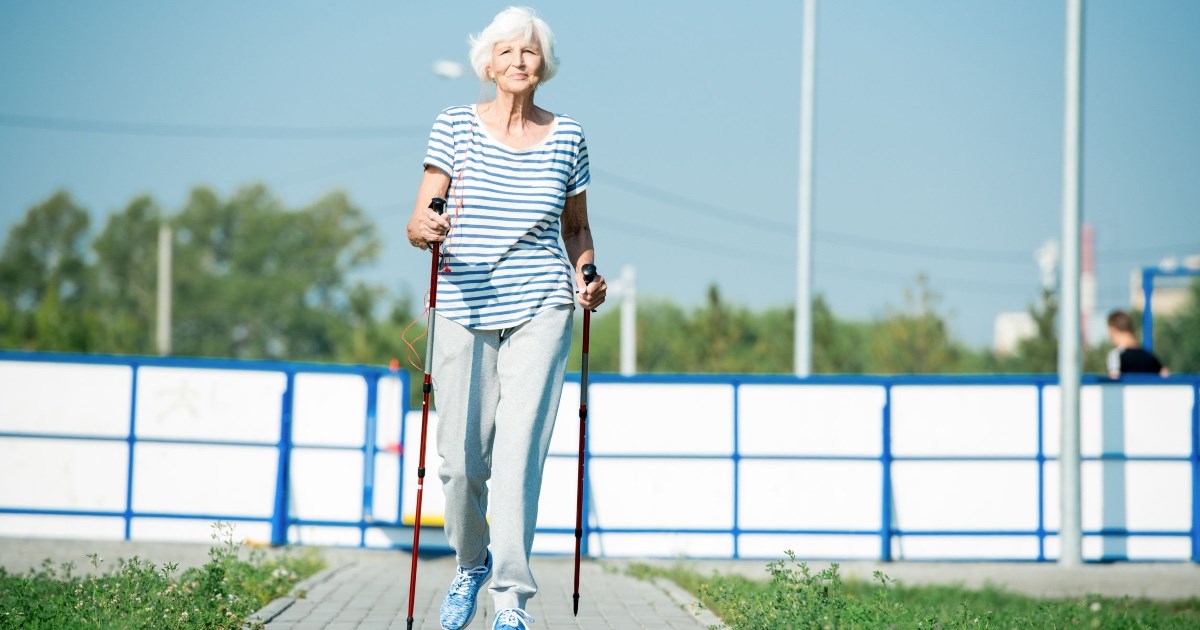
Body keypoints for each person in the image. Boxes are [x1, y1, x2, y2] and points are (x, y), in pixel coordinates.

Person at [405, 7, 606, 630]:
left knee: (520, 454)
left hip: (542, 303)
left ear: (543, 64)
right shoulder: (454, 127)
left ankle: (510, 598)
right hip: (464, 302)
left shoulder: (568, 136)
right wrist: (424, 229)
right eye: (507, 52)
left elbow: (575, 228)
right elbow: (419, 218)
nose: (519, 61)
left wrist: (587, 276)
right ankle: (471, 561)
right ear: (487, 63)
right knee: (462, 461)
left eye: (530, 52)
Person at [1105, 310, 1168, 378]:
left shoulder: (1115, 355)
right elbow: (1165, 375)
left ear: (1113, 330)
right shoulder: (1150, 357)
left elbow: (1114, 379)